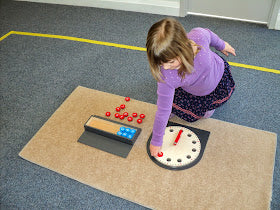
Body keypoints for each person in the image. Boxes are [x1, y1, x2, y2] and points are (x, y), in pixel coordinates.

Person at [146, 18, 236, 157]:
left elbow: (210, 35)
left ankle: (209, 106)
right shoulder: (166, 76)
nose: (165, 67)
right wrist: (157, 140)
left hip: (217, 81)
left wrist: (222, 45)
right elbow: (163, 110)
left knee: (199, 115)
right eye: (160, 63)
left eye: (170, 62)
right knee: (168, 105)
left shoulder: (198, 36)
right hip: (192, 88)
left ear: (182, 47)